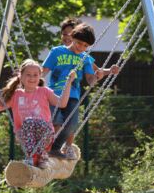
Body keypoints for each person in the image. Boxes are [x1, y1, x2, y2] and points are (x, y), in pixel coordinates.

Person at [43, 22, 120, 160]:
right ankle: (48, 150)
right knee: (56, 122)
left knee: (71, 125)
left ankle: (55, 148)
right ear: (72, 37)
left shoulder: (85, 58)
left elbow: (90, 79)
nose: (81, 47)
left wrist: (97, 77)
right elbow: (43, 71)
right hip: (54, 93)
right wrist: (28, 77)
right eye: (79, 43)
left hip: (72, 95)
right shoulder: (56, 52)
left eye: (85, 46)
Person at [0, 59, 75, 168]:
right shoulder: (16, 94)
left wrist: (68, 82)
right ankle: (36, 157)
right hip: (25, 135)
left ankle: (38, 156)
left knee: (31, 121)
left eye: (35, 75)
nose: (32, 78)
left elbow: (62, 103)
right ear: (21, 76)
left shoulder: (44, 91)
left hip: (44, 134)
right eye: (28, 75)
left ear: (40, 77)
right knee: (28, 122)